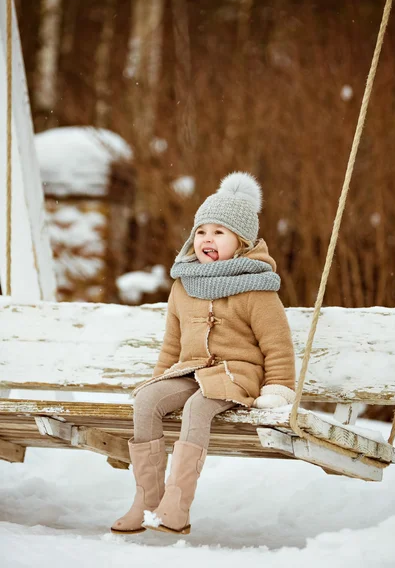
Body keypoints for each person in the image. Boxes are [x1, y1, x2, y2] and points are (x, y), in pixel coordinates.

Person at [111, 171, 295, 536]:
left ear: (240, 241)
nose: (206, 239)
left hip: (236, 376)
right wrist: (160, 377)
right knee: (146, 400)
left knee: (198, 407)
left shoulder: (257, 290)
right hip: (189, 370)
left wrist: (278, 389)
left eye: (218, 232)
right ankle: (147, 501)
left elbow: (278, 346)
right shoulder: (184, 285)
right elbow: (172, 343)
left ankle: (177, 507)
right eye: (201, 231)